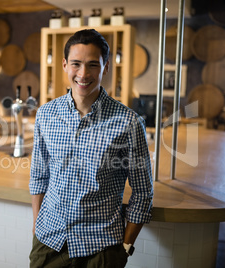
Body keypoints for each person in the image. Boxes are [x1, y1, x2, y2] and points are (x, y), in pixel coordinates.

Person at [29, 29, 153, 267]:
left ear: (105, 68)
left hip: (100, 249)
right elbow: (39, 177)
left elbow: (142, 192)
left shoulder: (128, 122)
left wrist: (124, 248)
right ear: (65, 65)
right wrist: (37, 227)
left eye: (92, 65)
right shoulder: (46, 114)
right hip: (49, 243)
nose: (83, 74)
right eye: (76, 64)